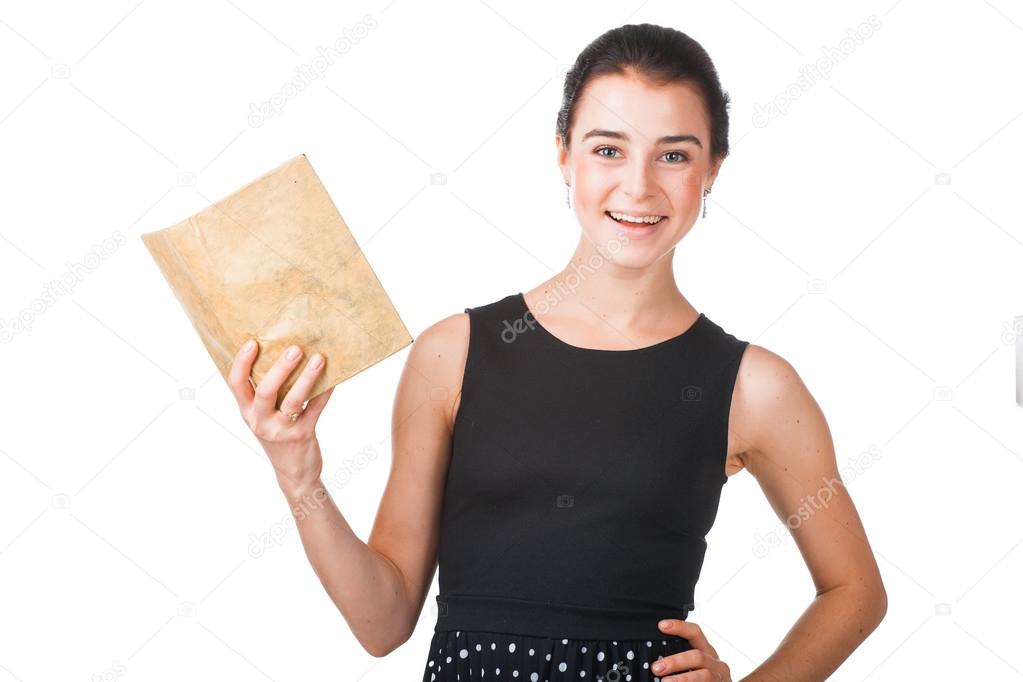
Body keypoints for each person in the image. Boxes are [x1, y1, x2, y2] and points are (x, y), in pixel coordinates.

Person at [228, 23, 887, 682]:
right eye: (608, 149)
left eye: (674, 155)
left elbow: (854, 591)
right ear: (563, 154)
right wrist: (298, 474)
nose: (637, 187)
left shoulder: (753, 386)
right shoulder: (453, 354)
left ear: (713, 167)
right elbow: (383, 624)